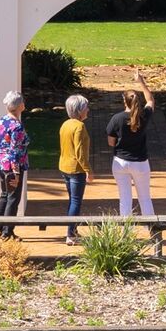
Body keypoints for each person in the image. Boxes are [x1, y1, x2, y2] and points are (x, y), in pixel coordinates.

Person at [106, 69, 156, 217]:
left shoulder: (117, 118)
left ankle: (125, 234)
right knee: (145, 198)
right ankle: (152, 231)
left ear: (124, 102)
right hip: (140, 162)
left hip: (120, 162)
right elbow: (150, 100)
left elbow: (111, 142)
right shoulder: (144, 116)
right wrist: (141, 81)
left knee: (125, 198)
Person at [58, 94, 94, 246]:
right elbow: (80, 152)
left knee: (72, 199)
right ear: (80, 111)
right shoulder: (79, 126)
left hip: (64, 166)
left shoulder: (65, 124)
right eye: (85, 107)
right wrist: (88, 170)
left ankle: (72, 229)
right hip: (75, 169)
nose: (88, 110)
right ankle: (70, 234)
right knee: (76, 201)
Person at [0, 90, 29, 239]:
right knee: (13, 198)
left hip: (2, 163)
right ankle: (7, 232)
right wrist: (17, 173)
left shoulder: (3, 120)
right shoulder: (16, 126)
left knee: (5, 195)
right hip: (13, 166)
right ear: (20, 105)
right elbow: (14, 150)